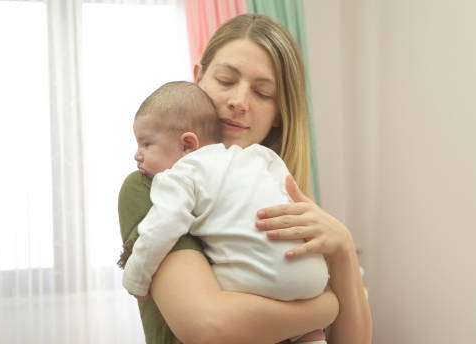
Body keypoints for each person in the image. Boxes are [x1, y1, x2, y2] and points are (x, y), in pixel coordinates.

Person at [118, 13, 372, 344]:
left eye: (263, 93)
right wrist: (324, 307)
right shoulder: (151, 185)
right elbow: (211, 327)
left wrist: (342, 250)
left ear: (280, 111)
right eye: (225, 80)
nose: (238, 101)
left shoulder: (286, 198)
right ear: (199, 78)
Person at [122, 80, 329, 343]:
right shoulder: (255, 156)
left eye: (146, 144)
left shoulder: (180, 175)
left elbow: (161, 228)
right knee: (307, 331)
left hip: (261, 282)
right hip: (313, 279)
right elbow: (285, 186)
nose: (137, 155)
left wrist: (135, 279)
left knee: (218, 280)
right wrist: (325, 305)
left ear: (187, 145)